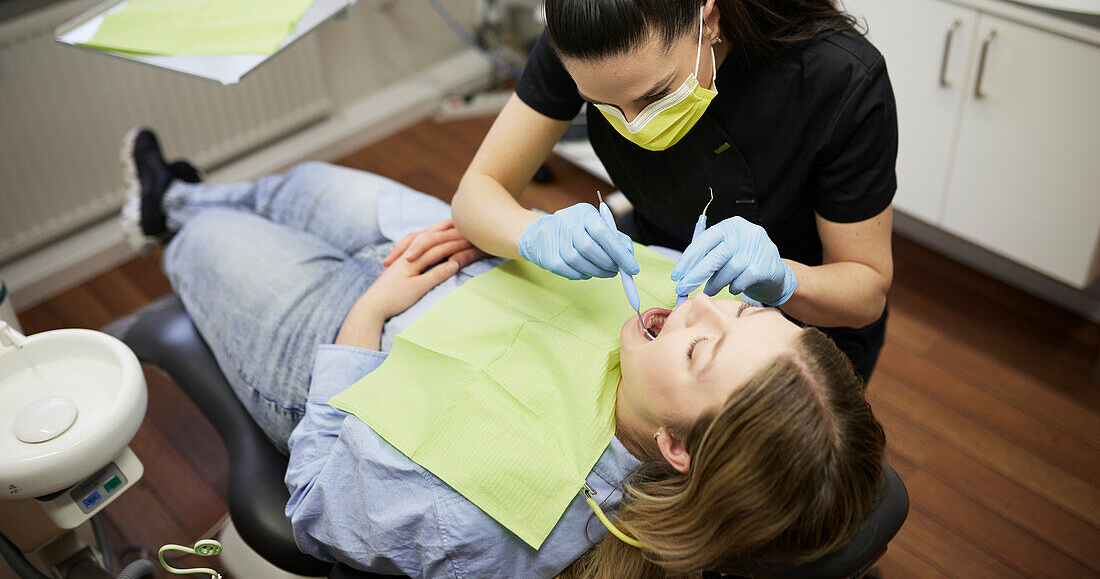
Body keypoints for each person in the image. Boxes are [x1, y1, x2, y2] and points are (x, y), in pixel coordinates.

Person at [119, 129, 885, 579]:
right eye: (744, 306)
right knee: (300, 184)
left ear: (676, 446)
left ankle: (170, 214)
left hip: (347, 329)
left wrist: (371, 309)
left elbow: (318, 494)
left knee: (208, 243)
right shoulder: (675, 316)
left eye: (703, 347)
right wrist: (529, 231)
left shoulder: (500, 525)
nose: (698, 303)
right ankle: (186, 192)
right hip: (454, 255)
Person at [450, 0, 898, 383]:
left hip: (806, 316)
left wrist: (782, 280)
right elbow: (476, 196)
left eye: (656, 94)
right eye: (603, 105)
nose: (636, 125)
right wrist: (533, 232)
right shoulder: (583, 46)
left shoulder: (837, 79)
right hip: (662, 269)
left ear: (709, 21)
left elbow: (865, 292)